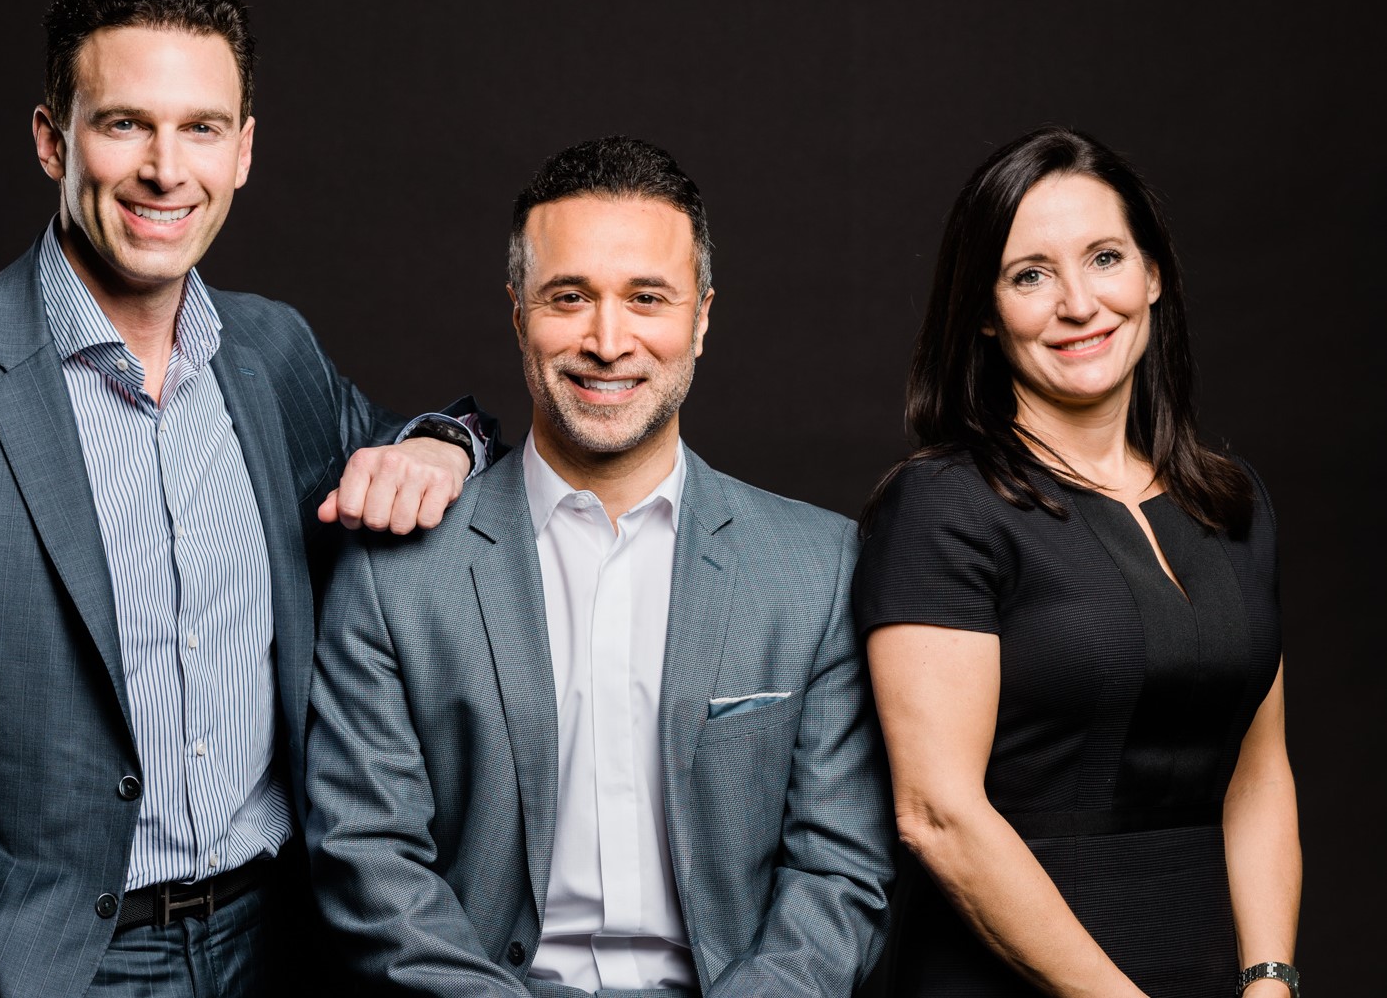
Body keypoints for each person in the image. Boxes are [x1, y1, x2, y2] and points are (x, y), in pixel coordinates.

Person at [0, 0, 494, 998]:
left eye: (203, 129)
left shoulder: (275, 354)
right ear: (52, 137)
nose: (166, 170)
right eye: (125, 124)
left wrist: (446, 441)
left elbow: (408, 446)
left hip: (293, 941)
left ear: (246, 150)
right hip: (54, 970)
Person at [305, 136, 894, 997]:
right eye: (569, 297)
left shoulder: (820, 567)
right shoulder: (395, 574)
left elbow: (839, 874)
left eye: (646, 297)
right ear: (518, 317)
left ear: (700, 315)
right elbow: (368, 859)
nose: (607, 340)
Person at [853, 125, 1300, 997]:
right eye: (1030, 275)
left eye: (1105, 258)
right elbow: (938, 813)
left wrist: (1271, 978)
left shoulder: (1232, 503)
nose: (1078, 303)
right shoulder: (942, 506)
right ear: (985, 310)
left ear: (1153, 273)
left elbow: (1260, 773)